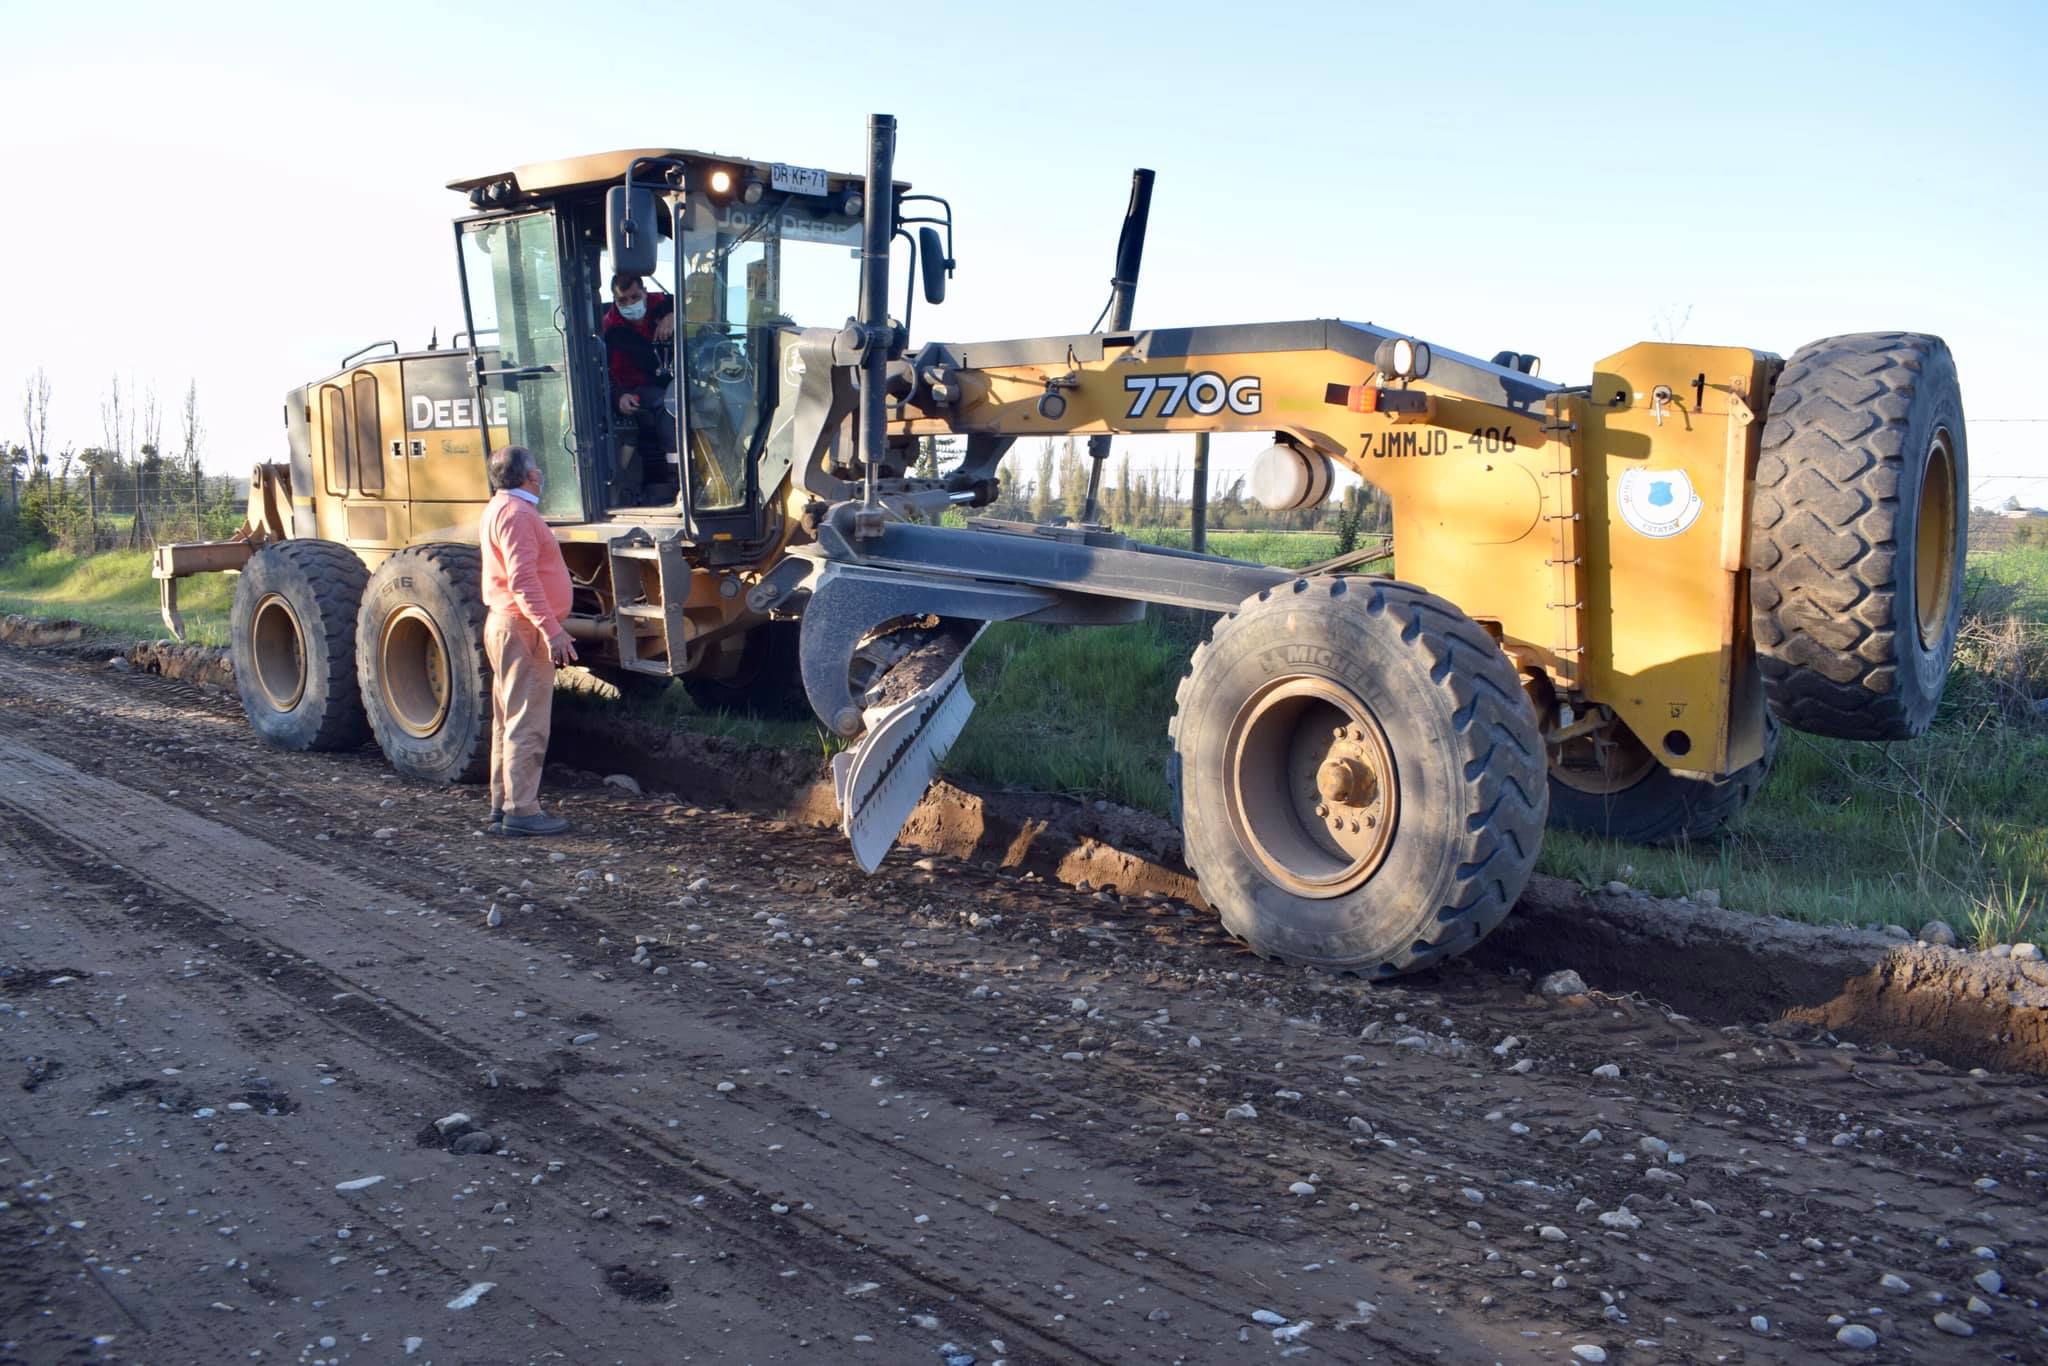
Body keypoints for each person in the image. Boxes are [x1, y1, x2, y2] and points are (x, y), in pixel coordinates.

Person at [479, 444, 577, 837]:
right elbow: (523, 581)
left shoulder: (499, 508)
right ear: (530, 476)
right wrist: (552, 630)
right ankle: (522, 810)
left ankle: (503, 803)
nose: (540, 474)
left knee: (507, 720)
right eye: (537, 468)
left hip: (506, 624)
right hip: (523, 629)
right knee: (528, 722)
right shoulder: (519, 515)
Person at [602, 273, 678, 470]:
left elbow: (690, 306)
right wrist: (620, 396)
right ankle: (676, 470)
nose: (630, 303)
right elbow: (606, 371)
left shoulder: (663, 303)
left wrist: (673, 316)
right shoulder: (610, 329)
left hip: (676, 375)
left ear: (645, 292)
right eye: (622, 300)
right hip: (637, 386)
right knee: (667, 402)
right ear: (615, 301)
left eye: (634, 297)